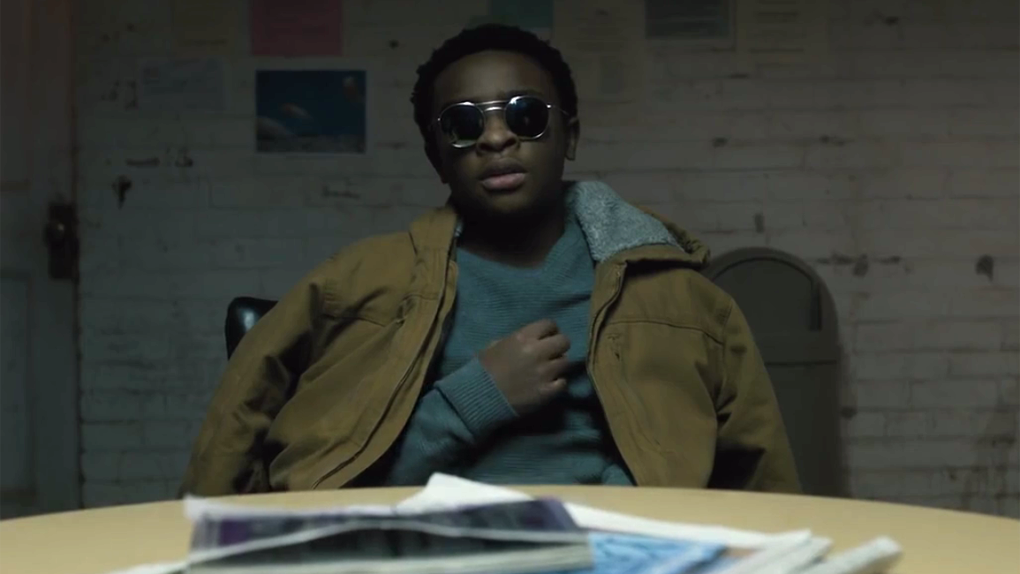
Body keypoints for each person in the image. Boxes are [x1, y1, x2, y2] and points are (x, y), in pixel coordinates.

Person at [180, 25, 799, 495]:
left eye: (526, 116)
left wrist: (620, 511)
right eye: (463, 124)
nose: (496, 138)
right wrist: (474, 399)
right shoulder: (357, 284)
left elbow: (759, 479)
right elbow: (298, 477)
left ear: (570, 136)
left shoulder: (679, 297)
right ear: (436, 156)